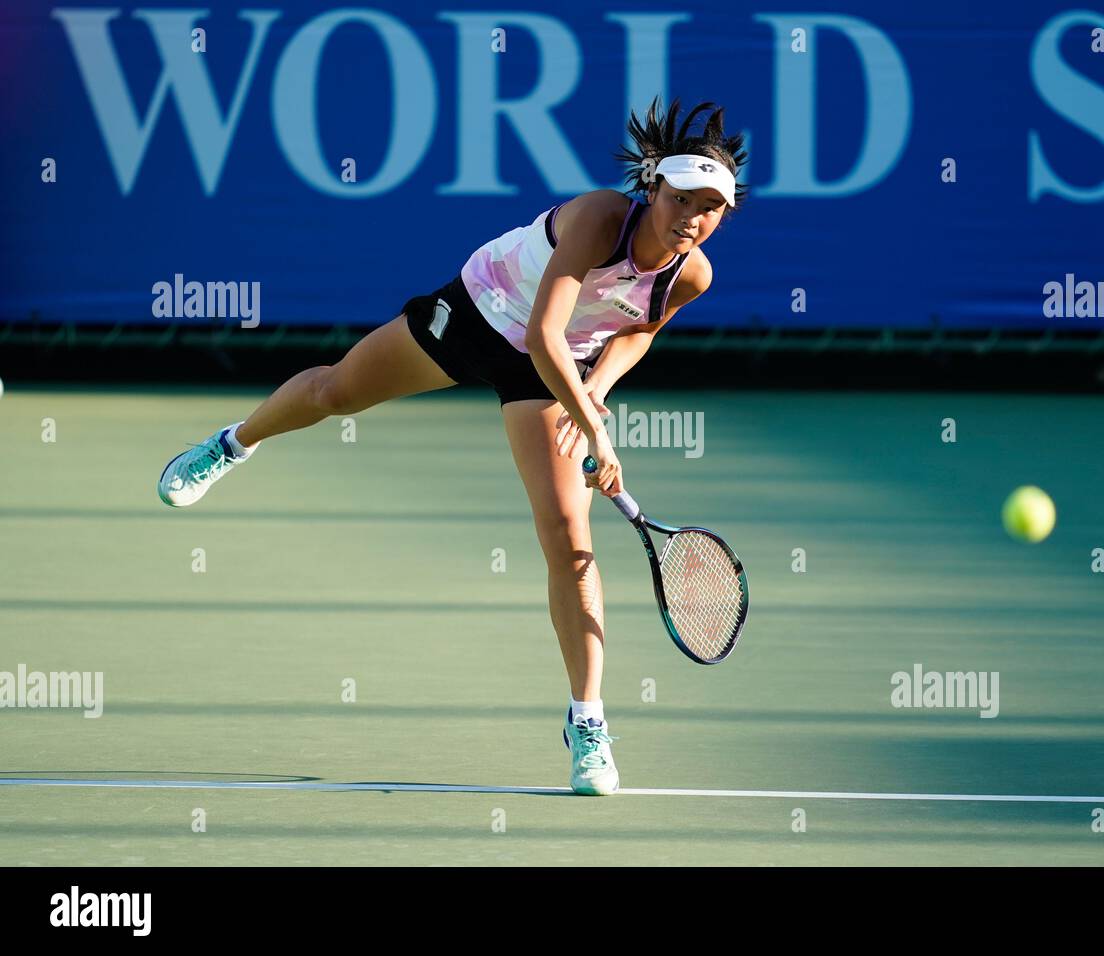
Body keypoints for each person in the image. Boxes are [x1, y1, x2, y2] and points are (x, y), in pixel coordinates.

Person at [156, 96, 749, 795]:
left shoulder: (694, 274)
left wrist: (596, 394)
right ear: (653, 188)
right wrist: (593, 425)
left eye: (711, 207)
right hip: (480, 315)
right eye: (682, 199)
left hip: (551, 372)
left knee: (568, 536)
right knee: (334, 393)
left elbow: (638, 330)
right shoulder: (597, 218)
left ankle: (587, 722)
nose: (693, 218)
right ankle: (232, 444)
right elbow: (542, 332)